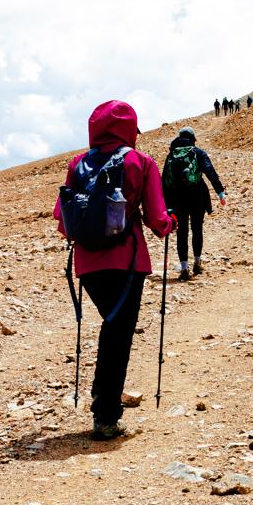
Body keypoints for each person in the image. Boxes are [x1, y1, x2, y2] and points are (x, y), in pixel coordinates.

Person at [53, 100, 174, 440]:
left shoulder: (77, 164)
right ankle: (105, 415)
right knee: (118, 333)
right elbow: (157, 220)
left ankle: (103, 407)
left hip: (87, 266)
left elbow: (62, 219)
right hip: (128, 262)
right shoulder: (141, 162)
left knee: (112, 328)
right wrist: (171, 222)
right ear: (128, 129)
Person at [162, 127, 226, 281]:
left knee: (182, 232)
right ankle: (197, 263)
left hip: (177, 200)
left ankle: (184, 268)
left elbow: (164, 180)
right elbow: (210, 171)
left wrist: (164, 204)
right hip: (197, 197)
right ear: (193, 138)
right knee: (197, 230)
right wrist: (220, 192)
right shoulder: (198, 152)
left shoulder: (172, 155)